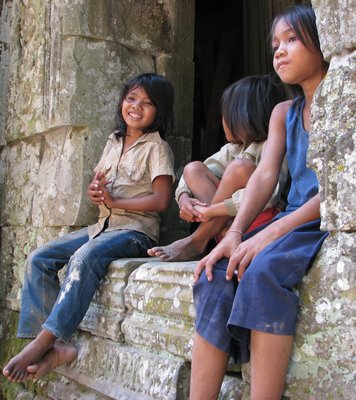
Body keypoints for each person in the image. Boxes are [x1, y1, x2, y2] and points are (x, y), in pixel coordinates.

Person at [190, 5, 329, 400]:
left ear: (323, 44)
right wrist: (235, 233)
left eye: (291, 40)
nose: (279, 52)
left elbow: (334, 192)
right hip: (289, 217)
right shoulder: (284, 112)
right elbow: (264, 177)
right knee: (215, 272)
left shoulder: (343, 104)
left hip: (320, 218)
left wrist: (269, 236)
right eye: (275, 45)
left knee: (263, 270)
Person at [2, 73, 175, 382]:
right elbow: (99, 186)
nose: (136, 106)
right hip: (102, 226)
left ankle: (45, 340)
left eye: (147, 103)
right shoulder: (113, 141)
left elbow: (161, 201)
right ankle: (56, 346)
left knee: (83, 259)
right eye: (131, 98)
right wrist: (95, 192)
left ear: (160, 112)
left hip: (134, 232)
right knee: (39, 258)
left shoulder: (157, 148)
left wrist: (117, 200)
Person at [148, 74, 289, 262]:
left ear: (242, 115)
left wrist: (213, 211)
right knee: (193, 169)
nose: (223, 121)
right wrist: (183, 198)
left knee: (239, 168)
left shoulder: (274, 146)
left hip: (259, 221)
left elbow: (269, 196)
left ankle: (198, 240)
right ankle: (218, 233)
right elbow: (193, 174)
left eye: (225, 114)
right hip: (226, 225)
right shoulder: (234, 149)